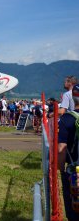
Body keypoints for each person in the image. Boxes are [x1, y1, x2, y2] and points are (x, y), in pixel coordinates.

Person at [58, 84, 79, 220]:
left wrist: (60, 169)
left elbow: (61, 148)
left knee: (74, 209)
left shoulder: (67, 119)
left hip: (74, 170)